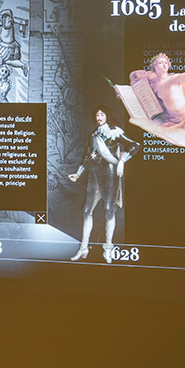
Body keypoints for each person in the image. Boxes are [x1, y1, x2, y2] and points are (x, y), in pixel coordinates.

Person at [67, 106, 139, 263]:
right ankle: (83, 248)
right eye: (96, 114)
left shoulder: (115, 132)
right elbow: (87, 156)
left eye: (102, 114)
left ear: (107, 115)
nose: (99, 116)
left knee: (108, 210)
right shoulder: (93, 135)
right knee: (86, 210)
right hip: (94, 176)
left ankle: (108, 248)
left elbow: (135, 145)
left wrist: (122, 161)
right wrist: (78, 173)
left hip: (109, 174)